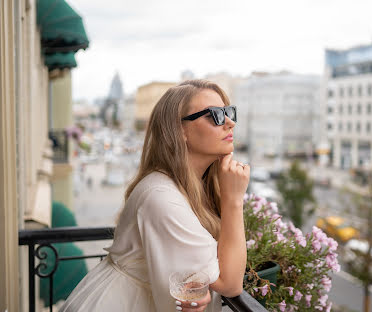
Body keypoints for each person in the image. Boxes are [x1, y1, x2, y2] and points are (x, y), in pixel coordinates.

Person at [59, 80, 250, 312]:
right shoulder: (161, 196)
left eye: (229, 113)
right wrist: (233, 199)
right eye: (215, 115)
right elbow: (230, 285)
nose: (230, 123)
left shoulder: (189, 186)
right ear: (180, 130)